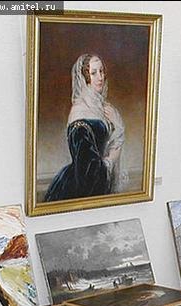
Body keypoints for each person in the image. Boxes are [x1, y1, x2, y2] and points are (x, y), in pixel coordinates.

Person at [45, 54, 126, 202]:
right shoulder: (80, 112)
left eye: (101, 71)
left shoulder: (103, 107)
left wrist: (118, 125)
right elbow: (89, 169)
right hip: (82, 184)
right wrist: (111, 160)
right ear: (84, 77)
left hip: (98, 181)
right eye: (93, 73)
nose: (100, 77)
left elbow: (111, 141)